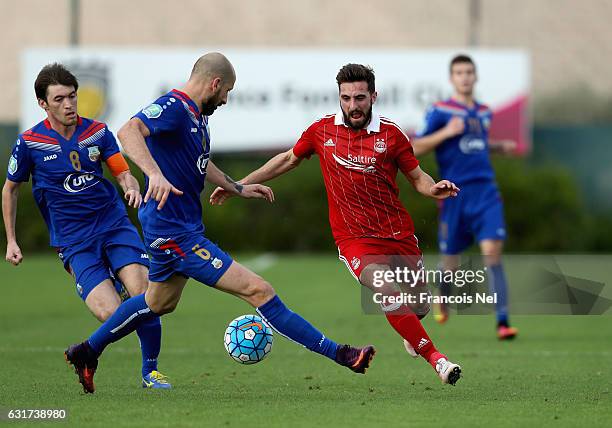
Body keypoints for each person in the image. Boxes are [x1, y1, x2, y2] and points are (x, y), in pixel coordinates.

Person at [64, 53, 375, 394]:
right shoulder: (174, 106)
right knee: (259, 290)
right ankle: (342, 354)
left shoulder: (196, 116)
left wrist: (236, 187)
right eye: (227, 90)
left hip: (179, 227)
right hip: (174, 232)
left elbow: (199, 161)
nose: (226, 99)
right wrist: (153, 174)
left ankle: (86, 351)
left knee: (158, 303)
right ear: (214, 83)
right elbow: (128, 131)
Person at [210, 63, 462, 385]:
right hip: (354, 238)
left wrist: (433, 188)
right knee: (385, 289)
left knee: (420, 305)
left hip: (396, 232)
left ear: (373, 96)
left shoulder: (392, 135)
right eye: (346, 98)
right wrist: (237, 185)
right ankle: (437, 360)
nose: (353, 106)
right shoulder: (322, 131)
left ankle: (410, 330)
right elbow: (288, 159)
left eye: (359, 98)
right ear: (339, 97)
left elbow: (417, 176)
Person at [2, 63, 170, 392]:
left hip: (113, 225)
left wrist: (130, 186)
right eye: (60, 98)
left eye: (73, 96)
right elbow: (10, 188)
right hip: (74, 242)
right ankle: (88, 355)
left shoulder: (97, 132)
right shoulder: (30, 143)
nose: (69, 104)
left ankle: (151, 372)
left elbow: (121, 170)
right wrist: (11, 240)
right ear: (43, 104)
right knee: (110, 315)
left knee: (145, 295)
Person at [411, 54, 518, 340]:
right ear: (452, 78)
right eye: (459, 72)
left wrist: (497, 147)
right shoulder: (441, 111)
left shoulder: (484, 111)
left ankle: (503, 322)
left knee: (492, 254)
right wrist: (446, 131)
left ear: (475, 76)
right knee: (451, 261)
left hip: (486, 192)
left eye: (469, 71)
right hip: (454, 193)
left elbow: (474, 145)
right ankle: (443, 295)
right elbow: (415, 147)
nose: (465, 77)